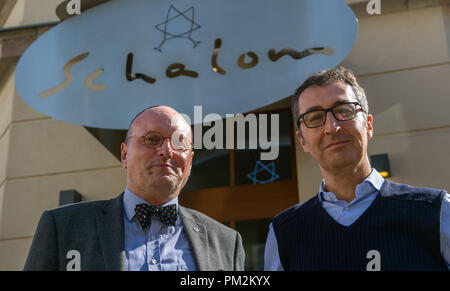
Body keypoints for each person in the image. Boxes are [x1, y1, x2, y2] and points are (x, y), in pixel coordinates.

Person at [264, 66, 450, 271]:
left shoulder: (437, 213)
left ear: (369, 125)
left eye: (344, 110)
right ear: (303, 141)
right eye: (315, 117)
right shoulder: (284, 232)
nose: (332, 127)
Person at [24, 105, 245, 271]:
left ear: (190, 160)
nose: (167, 151)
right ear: (124, 154)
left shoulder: (227, 243)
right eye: (152, 139)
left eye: (179, 143)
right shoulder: (64, 229)